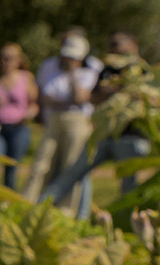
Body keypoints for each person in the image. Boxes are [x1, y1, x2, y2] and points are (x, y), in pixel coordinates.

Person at [42, 31, 148, 215]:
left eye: (117, 43)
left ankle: (129, 221)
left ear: (133, 44)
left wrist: (118, 92)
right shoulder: (106, 70)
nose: (113, 48)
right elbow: (93, 98)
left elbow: (144, 99)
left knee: (129, 184)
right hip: (104, 136)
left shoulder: (144, 70)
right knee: (75, 172)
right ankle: (43, 208)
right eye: (111, 45)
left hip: (131, 137)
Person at [22, 31, 101, 209]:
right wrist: (66, 101)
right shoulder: (49, 66)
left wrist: (72, 74)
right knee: (41, 164)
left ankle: (67, 209)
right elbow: (44, 98)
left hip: (79, 121)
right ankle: (27, 203)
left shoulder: (93, 68)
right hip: (53, 121)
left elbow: (80, 97)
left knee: (71, 165)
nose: (68, 59)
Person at [0, 43, 38, 191]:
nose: (6, 61)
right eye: (3, 58)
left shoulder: (26, 78)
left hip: (18, 128)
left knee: (11, 169)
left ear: (19, 60)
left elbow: (35, 104)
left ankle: (6, 205)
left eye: (10, 58)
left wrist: (29, 114)